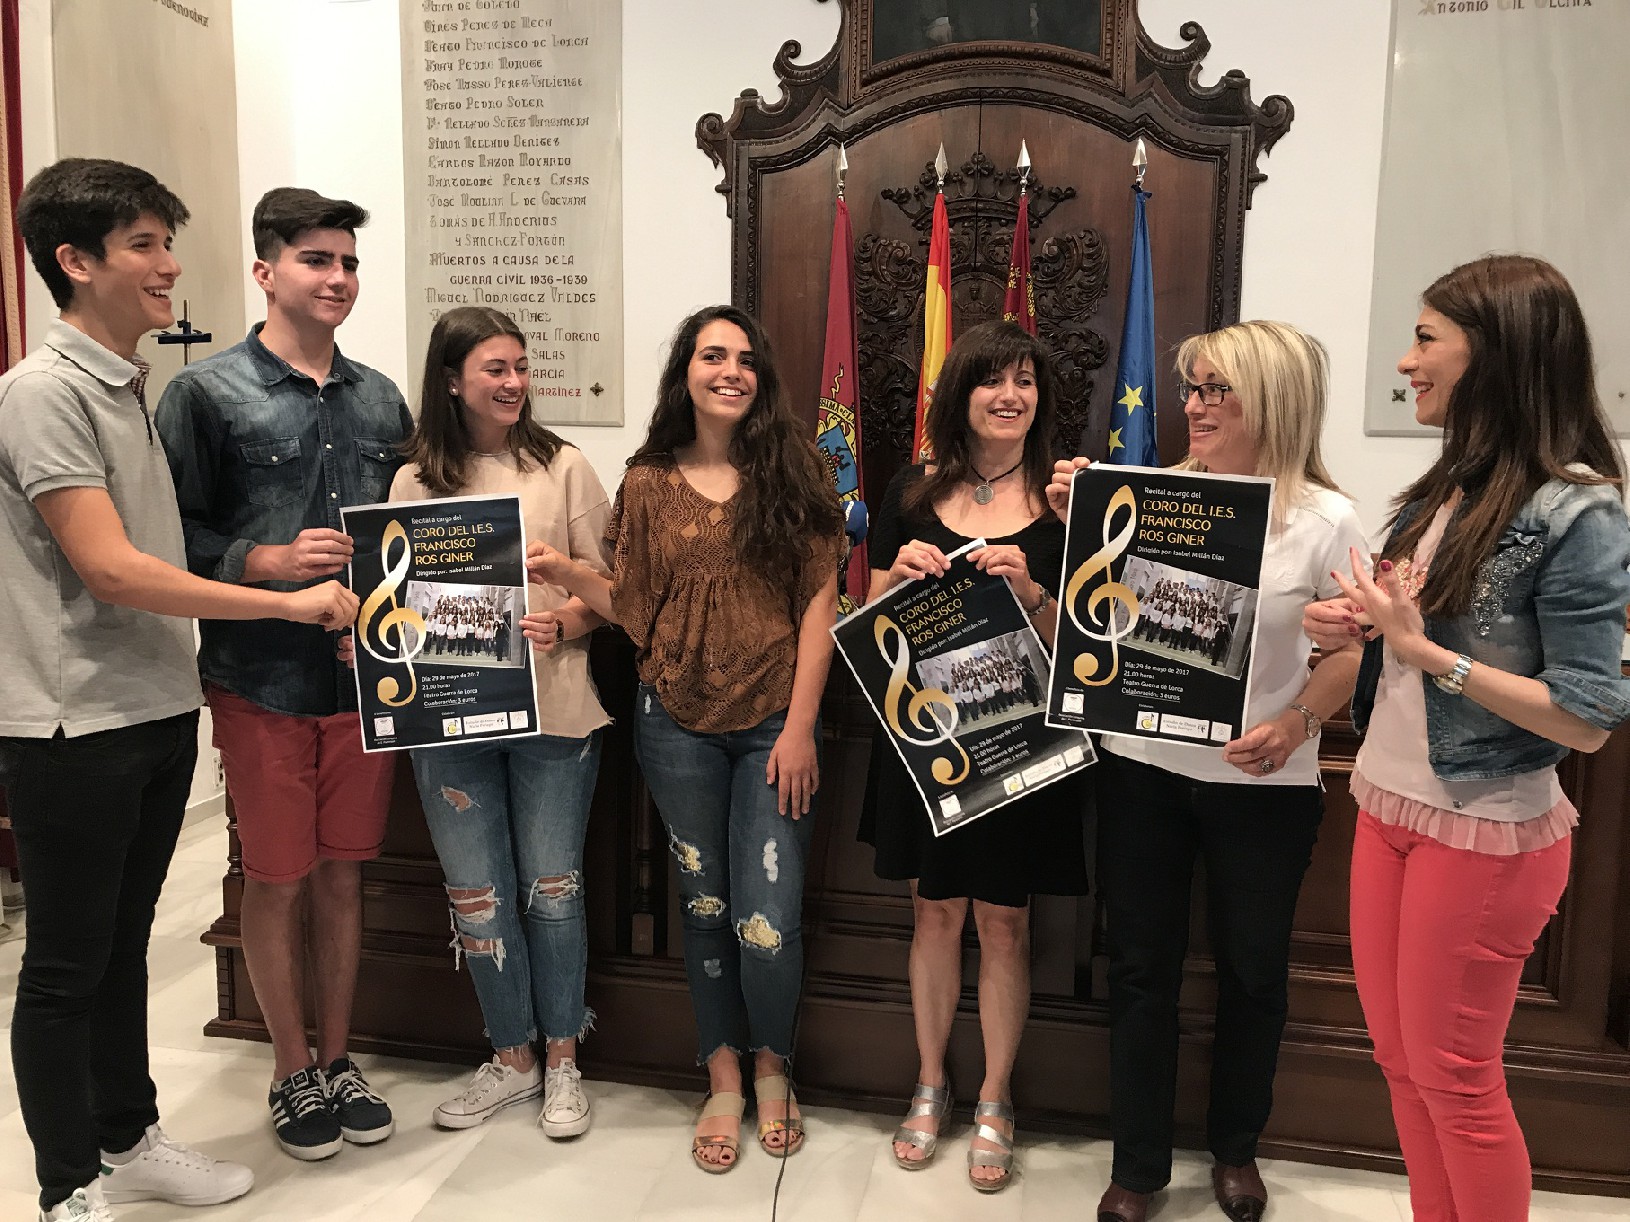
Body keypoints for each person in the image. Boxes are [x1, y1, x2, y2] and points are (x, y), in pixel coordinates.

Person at [0, 158, 356, 1222]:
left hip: (153, 705)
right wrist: (283, 601)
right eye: (146, 245)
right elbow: (112, 568)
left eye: (168, 243)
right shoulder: (43, 393)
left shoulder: (126, 384)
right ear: (75, 260)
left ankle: (128, 1138)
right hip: (71, 722)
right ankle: (68, 1188)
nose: (169, 267)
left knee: (122, 949)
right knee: (66, 966)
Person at [1305, 255, 1630, 1222]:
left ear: (1497, 353)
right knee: (1403, 1064)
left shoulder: (1578, 510)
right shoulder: (1444, 490)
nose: (1406, 362)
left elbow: (1586, 719)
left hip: (1484, 827)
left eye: (1425, 340)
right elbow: (1418, 632)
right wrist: (1362, 628)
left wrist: (1425, 653)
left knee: (1454, 1075)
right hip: (1388, 805)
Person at [1051, 321, 1367, 1222]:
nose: (1192, 405)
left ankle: (1236, 1150)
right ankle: (1138, 1166)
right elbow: (1101, 618)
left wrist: (1298, 721)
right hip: (1141, 771)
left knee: (1254, 974)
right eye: (1191, 388)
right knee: (1140, 969)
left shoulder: (1327, 521)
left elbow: (1350, 654)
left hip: (1263, 784)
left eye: (1214, 390)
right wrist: (1082, 519)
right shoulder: (1148, 499)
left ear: (1272, 400)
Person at [524, 304, 842, 1172]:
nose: (730, 371)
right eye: (712, 356)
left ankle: (774, 1065)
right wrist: (568, 573)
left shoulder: (799, 474)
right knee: (704, 908)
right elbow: (634, 608)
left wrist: (802, 729)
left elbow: (820, 610)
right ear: (687, 373)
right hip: (673, 728)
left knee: (767, 918)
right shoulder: (648, 481)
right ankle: (724, 1074)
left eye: (745, 358)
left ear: (761, 378)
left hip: (776, 725)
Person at [154, 188, 412, 1161]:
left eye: (348, 262)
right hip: (259, 680)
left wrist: (391, 621)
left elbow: (408, 541)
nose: (337, 277)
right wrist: (260, 561)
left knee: (345, 877)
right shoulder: (204, 395)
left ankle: (339, 1058)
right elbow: (161, 539)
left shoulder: (382, 398)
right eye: (316, 259)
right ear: (266, 271)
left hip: (364, 686)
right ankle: (289, 1068)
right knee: (276, 880)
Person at [859, 319, 1088, 1193]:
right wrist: (894, 577)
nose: (1010, 395)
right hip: (925, 741)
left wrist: (1032, 592)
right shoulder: (912, 488)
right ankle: (930, 1083)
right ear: (960, 393)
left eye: (1026, 380)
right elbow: (865, 612)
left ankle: (996, 1097)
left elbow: (1096, 648)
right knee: (932, 914)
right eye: (993, 379)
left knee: (1004, 922)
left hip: (1018, 744)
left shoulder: (1068, 498)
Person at [385, 306, 611, 1137]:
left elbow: (612, 592)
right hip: (452, 722)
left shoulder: (564, 467)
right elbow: (396, 607)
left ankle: (563, 1059)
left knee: (553, 891)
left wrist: (567, 621)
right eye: (495, 369)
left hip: (554, 712)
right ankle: (512, 1058)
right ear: (452, 381)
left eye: (521, 366)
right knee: (476, 898)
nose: (515, 382)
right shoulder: (413, 482)